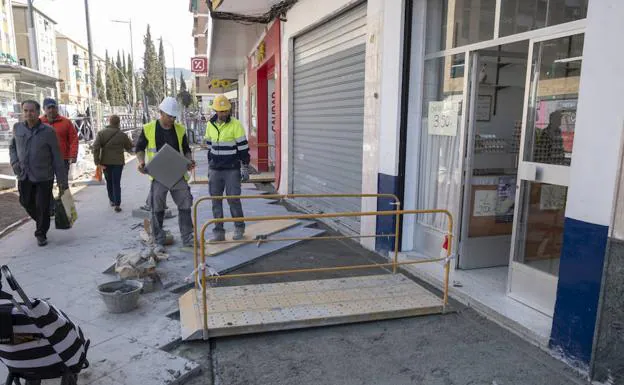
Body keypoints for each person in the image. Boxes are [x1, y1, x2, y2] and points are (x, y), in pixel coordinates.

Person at [135, 97, 195, 248]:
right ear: (161, 113)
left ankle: (187, 237)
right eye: (170, 116)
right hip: (159, 175)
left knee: (185, 202)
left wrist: (189, 161)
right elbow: (139, 149)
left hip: (178, 173)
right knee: (157, 205)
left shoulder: (180, 129)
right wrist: (142, 163)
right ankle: (158, 237)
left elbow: (187, 149)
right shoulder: (148, 128)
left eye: (174, 117)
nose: (172, 119)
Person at [9, 100, 68, 246]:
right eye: (25, 111)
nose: (29, 114)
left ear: (38, 112)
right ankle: (43, 220)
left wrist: (62, 181)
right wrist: (14, 162)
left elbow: (56, 156)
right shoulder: (17, 128)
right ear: (23, 112)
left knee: (42, 205)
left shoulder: (48, 131)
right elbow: (12, 147)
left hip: (44, 176)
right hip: (24, 174)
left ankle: (41, 233)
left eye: (32, 111)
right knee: (25, 201)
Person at [204, 94, 250, 242]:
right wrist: (210, 165)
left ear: (229, 110)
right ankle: (219, 232)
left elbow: (243, 149)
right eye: (220, 111)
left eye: (225, 111)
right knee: (216, 201)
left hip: (232, 169)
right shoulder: (210, 125)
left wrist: (244, 167)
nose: (223, 114)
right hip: (215, 169)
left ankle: (239, 227)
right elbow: (209, 146)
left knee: (233, 199)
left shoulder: (236, 124)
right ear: (215, 110)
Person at [92, 115, 133, 212]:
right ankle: (117, 204)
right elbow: (129, 147)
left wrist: (97, 162)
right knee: (116, 182)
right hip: (118, 163)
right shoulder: (122, 135)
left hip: (105, 162)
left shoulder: (101, 133)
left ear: (109, 122)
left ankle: (112, 200)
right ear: (119, 123)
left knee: (109, 181)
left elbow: (96, 148)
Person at [40, 98, 79, 170]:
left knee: (63, 180)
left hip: (62, 158)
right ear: (43, 109)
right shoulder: (39, 123)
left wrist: (73, 155)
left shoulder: (66, 122)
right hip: (45, 159)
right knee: (46, 181)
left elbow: (74, 139)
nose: (51, 110)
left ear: (57, 108)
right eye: (49, 108)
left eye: (53, 107)